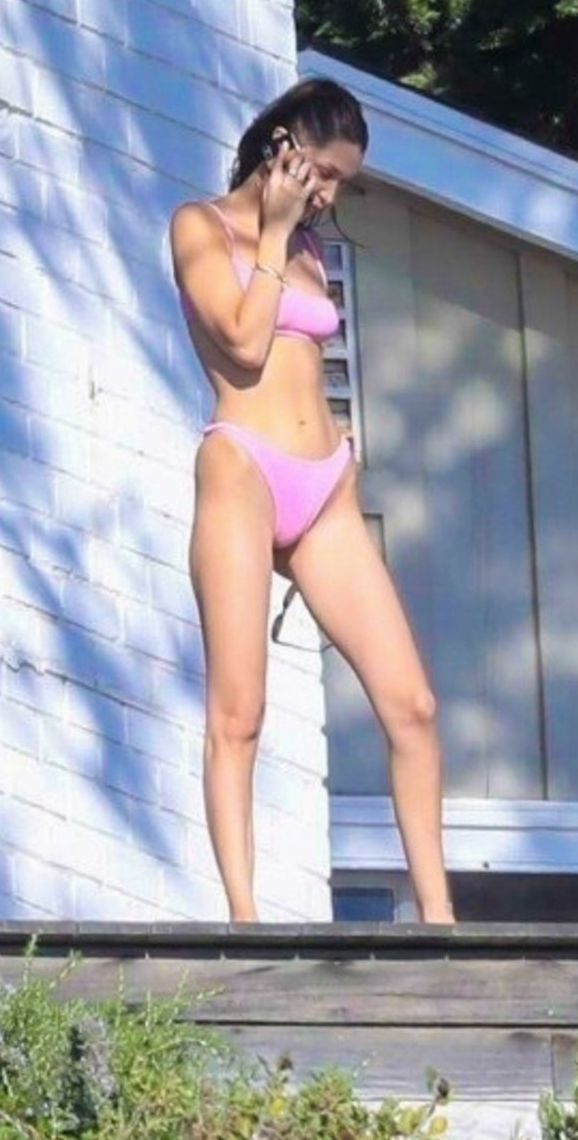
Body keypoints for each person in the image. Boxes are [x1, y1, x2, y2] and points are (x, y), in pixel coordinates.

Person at [169, 76, 454, 924]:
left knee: (412, 705)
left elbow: (307, 357)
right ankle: (244, 920)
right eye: (323, 172)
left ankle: (440, 919)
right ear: (282, 147)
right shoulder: (200, 226)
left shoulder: (310, 251)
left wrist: (343, 453)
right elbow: (243, 340)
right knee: (239, 712)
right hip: (244, 472)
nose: (328, 194)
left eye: (341, 183)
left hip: (324, 485)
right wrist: (273, 230)